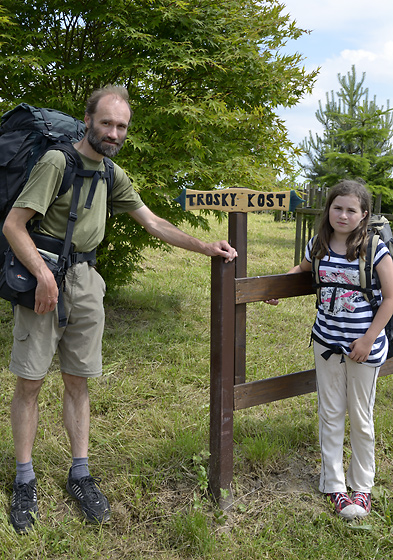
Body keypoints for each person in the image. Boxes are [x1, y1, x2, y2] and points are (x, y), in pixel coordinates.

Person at [2, 85, 237, 533]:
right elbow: (15, 225)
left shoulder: (112, 173)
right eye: (106, 122)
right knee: (30, 382)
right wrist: (44, 276)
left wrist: (207, 247)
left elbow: (153, 222)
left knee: (79, 381)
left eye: (121, 126)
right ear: (88, 119)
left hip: (87, 283)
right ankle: (24, 480)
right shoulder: (57, 163)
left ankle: (80, 473)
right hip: (42, 279)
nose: (113, 132)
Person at [266, 180, 393, 521]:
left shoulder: (374, 249)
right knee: (330, 414)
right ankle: (334, 484)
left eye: (352, 210)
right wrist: (278, 285)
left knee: (361, 418)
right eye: (338, 207)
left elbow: (392, 298)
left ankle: (362, 486)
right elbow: (302, 270)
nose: (343, 214)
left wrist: (368, 340)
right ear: (329, 210)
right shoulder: (318, 245)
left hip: (364, 349)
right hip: (326, 344)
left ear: (364, 215)